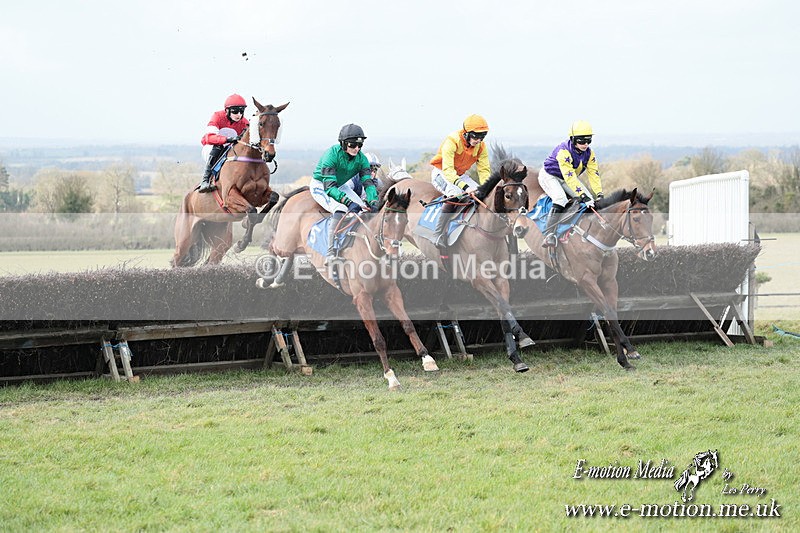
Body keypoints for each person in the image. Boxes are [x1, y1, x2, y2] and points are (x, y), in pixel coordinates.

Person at [309, 124, 379, 264]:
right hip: (321, 185)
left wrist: (373, 201)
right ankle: (330, 252)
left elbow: (368, 183)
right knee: (340, 209)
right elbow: (329, 187)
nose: (357, 148)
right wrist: (347, 202)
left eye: (360, 144)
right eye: (353, 144)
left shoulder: (362, 159)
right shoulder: (331, 155)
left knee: (362, 209)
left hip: (341, 185)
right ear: (343, 143)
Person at [428, 114, 492, 250]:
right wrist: (464, 186)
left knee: (481, 194)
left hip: (460, 175)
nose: (478, 140)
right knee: (456, 192)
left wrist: (486, 187)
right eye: (475, 136)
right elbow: (448, 171)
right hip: (442, 173)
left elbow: (484, 170)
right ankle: (437, 233)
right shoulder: (452, 141)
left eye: (482, 136)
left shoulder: (481, 146)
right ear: (466, 133)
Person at [538, 120, 604, 248]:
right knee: (560, 199)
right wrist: (581, 195)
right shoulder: (564, 152)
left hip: (566, 178)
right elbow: (570, 178)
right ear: (573, 139)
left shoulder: (589, 154)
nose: (585, 144)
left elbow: (594, 174)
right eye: (581, 141)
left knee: (590, 200)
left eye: (588, 141)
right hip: (550, 176)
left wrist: (599, 193)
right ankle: (549, 234)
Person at [198, 94, 250, 193]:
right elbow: (208, 138)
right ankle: (205, 180)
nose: (239, 114)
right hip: (211, 148)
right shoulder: (217, 116)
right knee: (218, 147)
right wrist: (227, 139)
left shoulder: (245, 123)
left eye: (241, 111)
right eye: (235, 111)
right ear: (227, 111)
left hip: (230, 150)